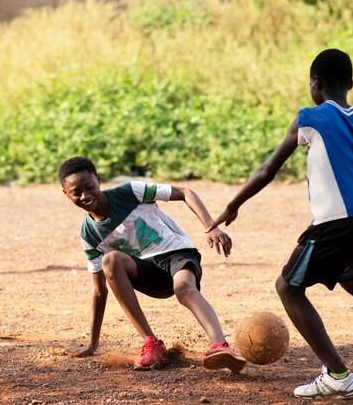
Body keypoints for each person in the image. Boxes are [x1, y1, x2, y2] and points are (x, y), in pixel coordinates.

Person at [207, 49, 353, 399]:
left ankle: (338, 374)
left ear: (316, 83)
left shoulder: (309, 118)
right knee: (352, 278)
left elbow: (268, 169)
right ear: (351, 84)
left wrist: (233, 204)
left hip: (337, 221)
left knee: (288, 288)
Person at [59, 156, 246, 372]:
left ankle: (219, 345)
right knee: (110, 260)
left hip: (177, 252)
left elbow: (185, 192)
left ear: (98, 180)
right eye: (76, 192)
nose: (85, 195)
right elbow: (99, 291)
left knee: (184, 288)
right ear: (66, 194)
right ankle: (151, 343)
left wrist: (210, 226)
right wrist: (93, 342)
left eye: (89, 186)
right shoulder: (89, 234)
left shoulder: (130, 191)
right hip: (148, 273)